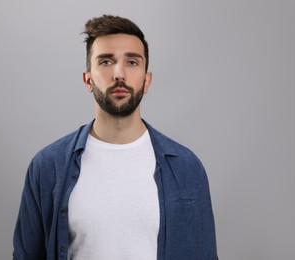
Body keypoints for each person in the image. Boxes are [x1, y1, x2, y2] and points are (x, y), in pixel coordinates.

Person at [13, 14, 217, 260]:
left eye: (132, 62)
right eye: (106, 62)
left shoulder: (187, 168)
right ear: (88, 79)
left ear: (147, 80)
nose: (119, 74)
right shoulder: (47, 167)